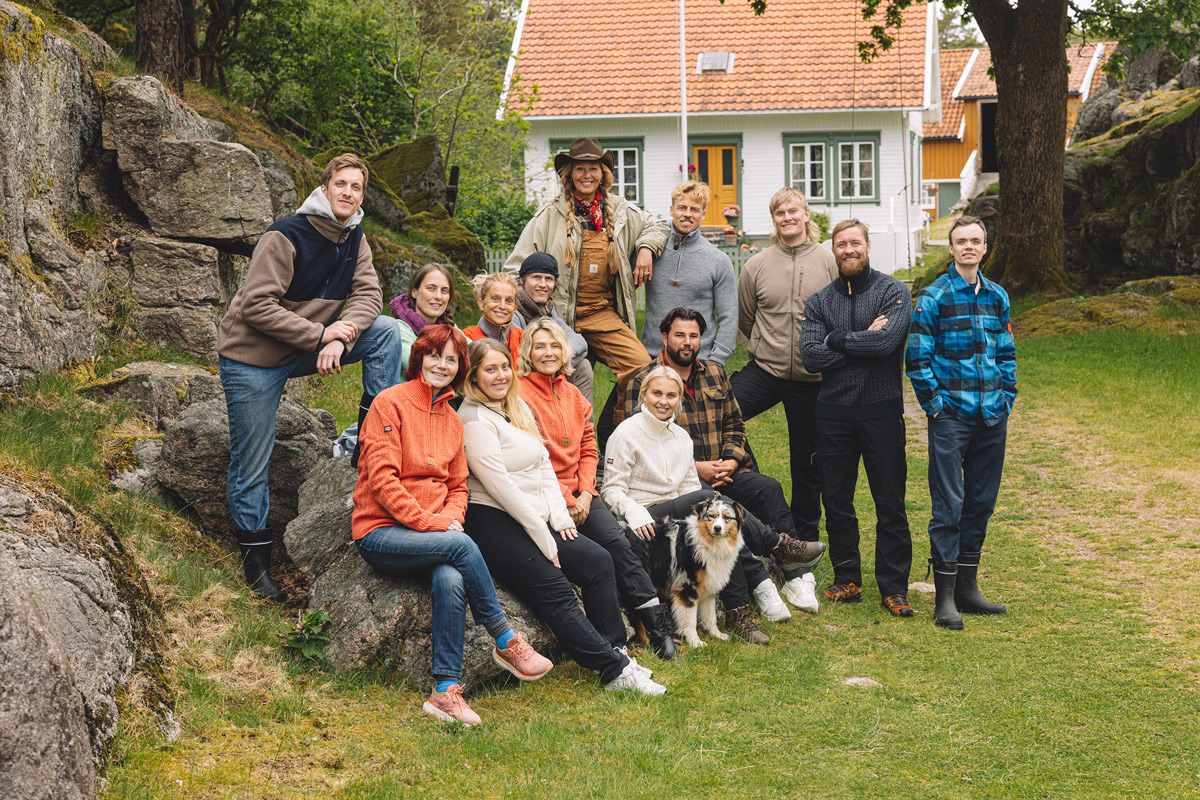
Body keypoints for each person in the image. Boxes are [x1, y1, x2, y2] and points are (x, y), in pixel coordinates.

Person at [217, 153, 400, 601]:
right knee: (251, 461)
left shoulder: (356, 240)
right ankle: (256, 564)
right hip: (253, 359)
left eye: (357, 187)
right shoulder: (286, 234)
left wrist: (341, 336)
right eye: (342, 184)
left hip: (304, 349)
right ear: (324, 188)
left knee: (387, 333)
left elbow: (369, 294)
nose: (348, 193)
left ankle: (371, 440)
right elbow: (257, 306)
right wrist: (320, 334)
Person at [352, 325, 553, 726]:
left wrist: (451, 519)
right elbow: (383, 480)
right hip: (381, 532)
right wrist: (433, 524)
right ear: (419, 358)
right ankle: (505, 639)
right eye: (435, 356)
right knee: (460, 547)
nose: (441, 365)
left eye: (451, 359)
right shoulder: (389, 404)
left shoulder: (453, 419)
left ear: (460, 368)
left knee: (450, 578)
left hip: (432, 537)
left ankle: (444, 691)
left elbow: (459, 485)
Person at [459, 339, 666, 694]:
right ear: (473, 376)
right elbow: (502, 487)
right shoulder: (474, 418)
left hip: (534, 515)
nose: (500, 375)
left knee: (598, 560)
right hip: (493, 519)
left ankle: (617, 649)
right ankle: (613, 670)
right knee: (556, 590)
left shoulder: (514, 406)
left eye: (504, 367)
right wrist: (544, 537)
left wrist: (561, 519)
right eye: (489, 369)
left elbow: (542, 466)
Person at [625, 309, 829, 641]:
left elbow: (736, 425)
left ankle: (796, 576)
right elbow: (642, 446)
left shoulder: (715, 374)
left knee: (768, 488)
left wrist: (732, 460)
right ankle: (763, 579)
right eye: (679, 335)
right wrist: (696, 468)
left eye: (693, 336)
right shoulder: (646, 381)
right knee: (721, 507)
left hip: (724, 470)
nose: (687, 342)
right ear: (664, 338)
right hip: (683, 482)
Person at [517, 317, 676, 659]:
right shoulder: (518, 395)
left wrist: (587, 493)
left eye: (555, 346)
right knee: (596, 556)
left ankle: (656, 623)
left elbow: (589, 448)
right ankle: (612, 641)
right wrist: (566, 499)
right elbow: (534, 458)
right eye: (540, 346)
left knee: (620, 545)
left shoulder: (574, 395)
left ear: (565, 353)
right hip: (545, 497)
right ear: (528, 351)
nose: (548, 353)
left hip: (583, 494)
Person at [504, 136, 669, 450]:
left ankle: (616, 440)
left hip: (601, 313)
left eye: (593, 168)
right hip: (558, 320)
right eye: (580, 169)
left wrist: (646, 248)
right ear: (569, 174)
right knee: (573, 378)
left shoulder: (620, 212)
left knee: (640, 368)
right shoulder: (547, 218)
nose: (586, 175)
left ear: (602, 173)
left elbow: (659, 225)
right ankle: (566, 448)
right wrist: (531, 306)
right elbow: (515, 269)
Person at [906, 215, 1017, 630]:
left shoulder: (997, 296)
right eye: (961, 241)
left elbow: (1006, 351)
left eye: (976, 241)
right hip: (952, 418)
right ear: (950, 249)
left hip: (992, 416)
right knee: (949, 505)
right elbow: (916, 359)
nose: (968, 247)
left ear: (985, 248)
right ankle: (945, 597)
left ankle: (969, 589)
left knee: (981, 503)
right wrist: (937, 407)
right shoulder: (934, 297)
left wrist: (1006, 396)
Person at [798, 220, 915, 617]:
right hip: (832, 415)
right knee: (837, 501)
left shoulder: (893, 291)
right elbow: (810, 357)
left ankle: (894, 586)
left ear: (868, 245)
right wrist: (858, 338)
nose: (848, 249)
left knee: (890, 502)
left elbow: (885, 343)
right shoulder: (818, 301)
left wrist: (835, 338)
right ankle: (847, 578)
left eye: (855, 242)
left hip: (881, 412)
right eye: (841, 244)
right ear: (833, 250)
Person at [730, 186, 838, 589]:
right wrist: (763, 348)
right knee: (724, 411)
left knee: (808, 459)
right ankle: (742, 480)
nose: (787, 218)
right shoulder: (756, 265)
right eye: (780, 213)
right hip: (767, 369)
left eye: (794, 211)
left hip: (814, 377)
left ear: (807, 214)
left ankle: (802, 537)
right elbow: (746, 317)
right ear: (773, 219)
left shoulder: (828, 260)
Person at [640, 182, 737, 366]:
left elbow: (729, 317)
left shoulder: (718, 261)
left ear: (703, 214)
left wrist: (716, 361)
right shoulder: (650, 253)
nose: (687, 214)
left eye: (694, 209)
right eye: (682, 208)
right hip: (652, 357)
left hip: (699, 360)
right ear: (671, 210)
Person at [511, 252, 594, 403]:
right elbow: (520, 358)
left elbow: (580, 343)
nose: (543, 284)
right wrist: (552, 361)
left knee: (583, 367)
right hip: (518, 379)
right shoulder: (513, 309)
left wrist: (555, 361)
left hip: (545, 368)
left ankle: (584, 425)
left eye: (548, 279)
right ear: (522, 281)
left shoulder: (546, 310)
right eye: (536, 277)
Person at [387, 262, 458, 380]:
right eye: (431, 288)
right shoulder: (399, 329)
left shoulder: (449, 326)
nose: (438, 296)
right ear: (414, 292)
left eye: (444, 291)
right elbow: (419, 365)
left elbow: (477, 354)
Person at [463, 272, 523, 361]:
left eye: (509, 301)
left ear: (515, 308)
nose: (502, 306)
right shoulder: (467, 338)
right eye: (495, 299)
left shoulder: (522, 339)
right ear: (482, 304)